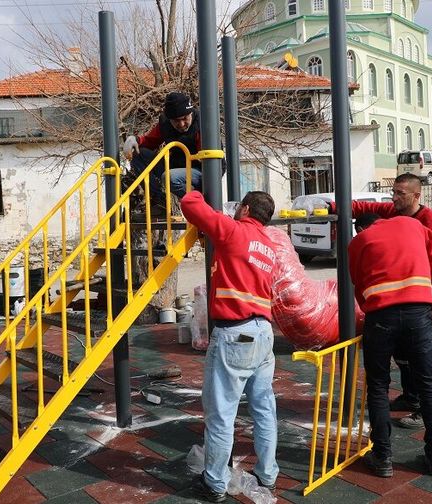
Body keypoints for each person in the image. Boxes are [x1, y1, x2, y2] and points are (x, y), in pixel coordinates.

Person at [180, 190, 279, 503]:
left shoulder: (233, 230)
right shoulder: (270, 247)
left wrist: (198, 181)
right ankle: (268, 474)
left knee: (221, 414)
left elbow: (190, 204)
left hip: (235, 334)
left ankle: (215, 483)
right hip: (263, 334)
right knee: (263, 408)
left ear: (245, 209)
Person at [349, 213, 432, 478]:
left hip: (381, 317)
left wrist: (372, 305)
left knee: (378, 386)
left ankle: (382, 457)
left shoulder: (360, 241)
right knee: (429, 385)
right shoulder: (413, 225)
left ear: (362, 227)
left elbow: (358, 283)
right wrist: (427, 293)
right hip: (419, 314)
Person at [352, 173, 432, 428]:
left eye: (400, 193)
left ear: (416, 196)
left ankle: (423, 411)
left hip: (422, 303)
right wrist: (331, 205)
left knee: (427, 363)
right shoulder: (393, 213)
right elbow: (364, 207)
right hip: (398, 302)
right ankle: (410, 397)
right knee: (403, 357)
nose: (394, 198)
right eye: (393, 192)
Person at [123, 91, 202, 200]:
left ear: (191, 113)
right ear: (170, 119)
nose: (181, 124)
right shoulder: (165, 124)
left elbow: (212, 162)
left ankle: (198, 203)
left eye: (185, 118)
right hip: (177, 166)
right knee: (139, 154)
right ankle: (158, 200)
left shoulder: (202, 124)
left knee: (170, 177)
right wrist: (135, 140)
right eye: (176, 121)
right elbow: (150, 140)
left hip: (200, 170)